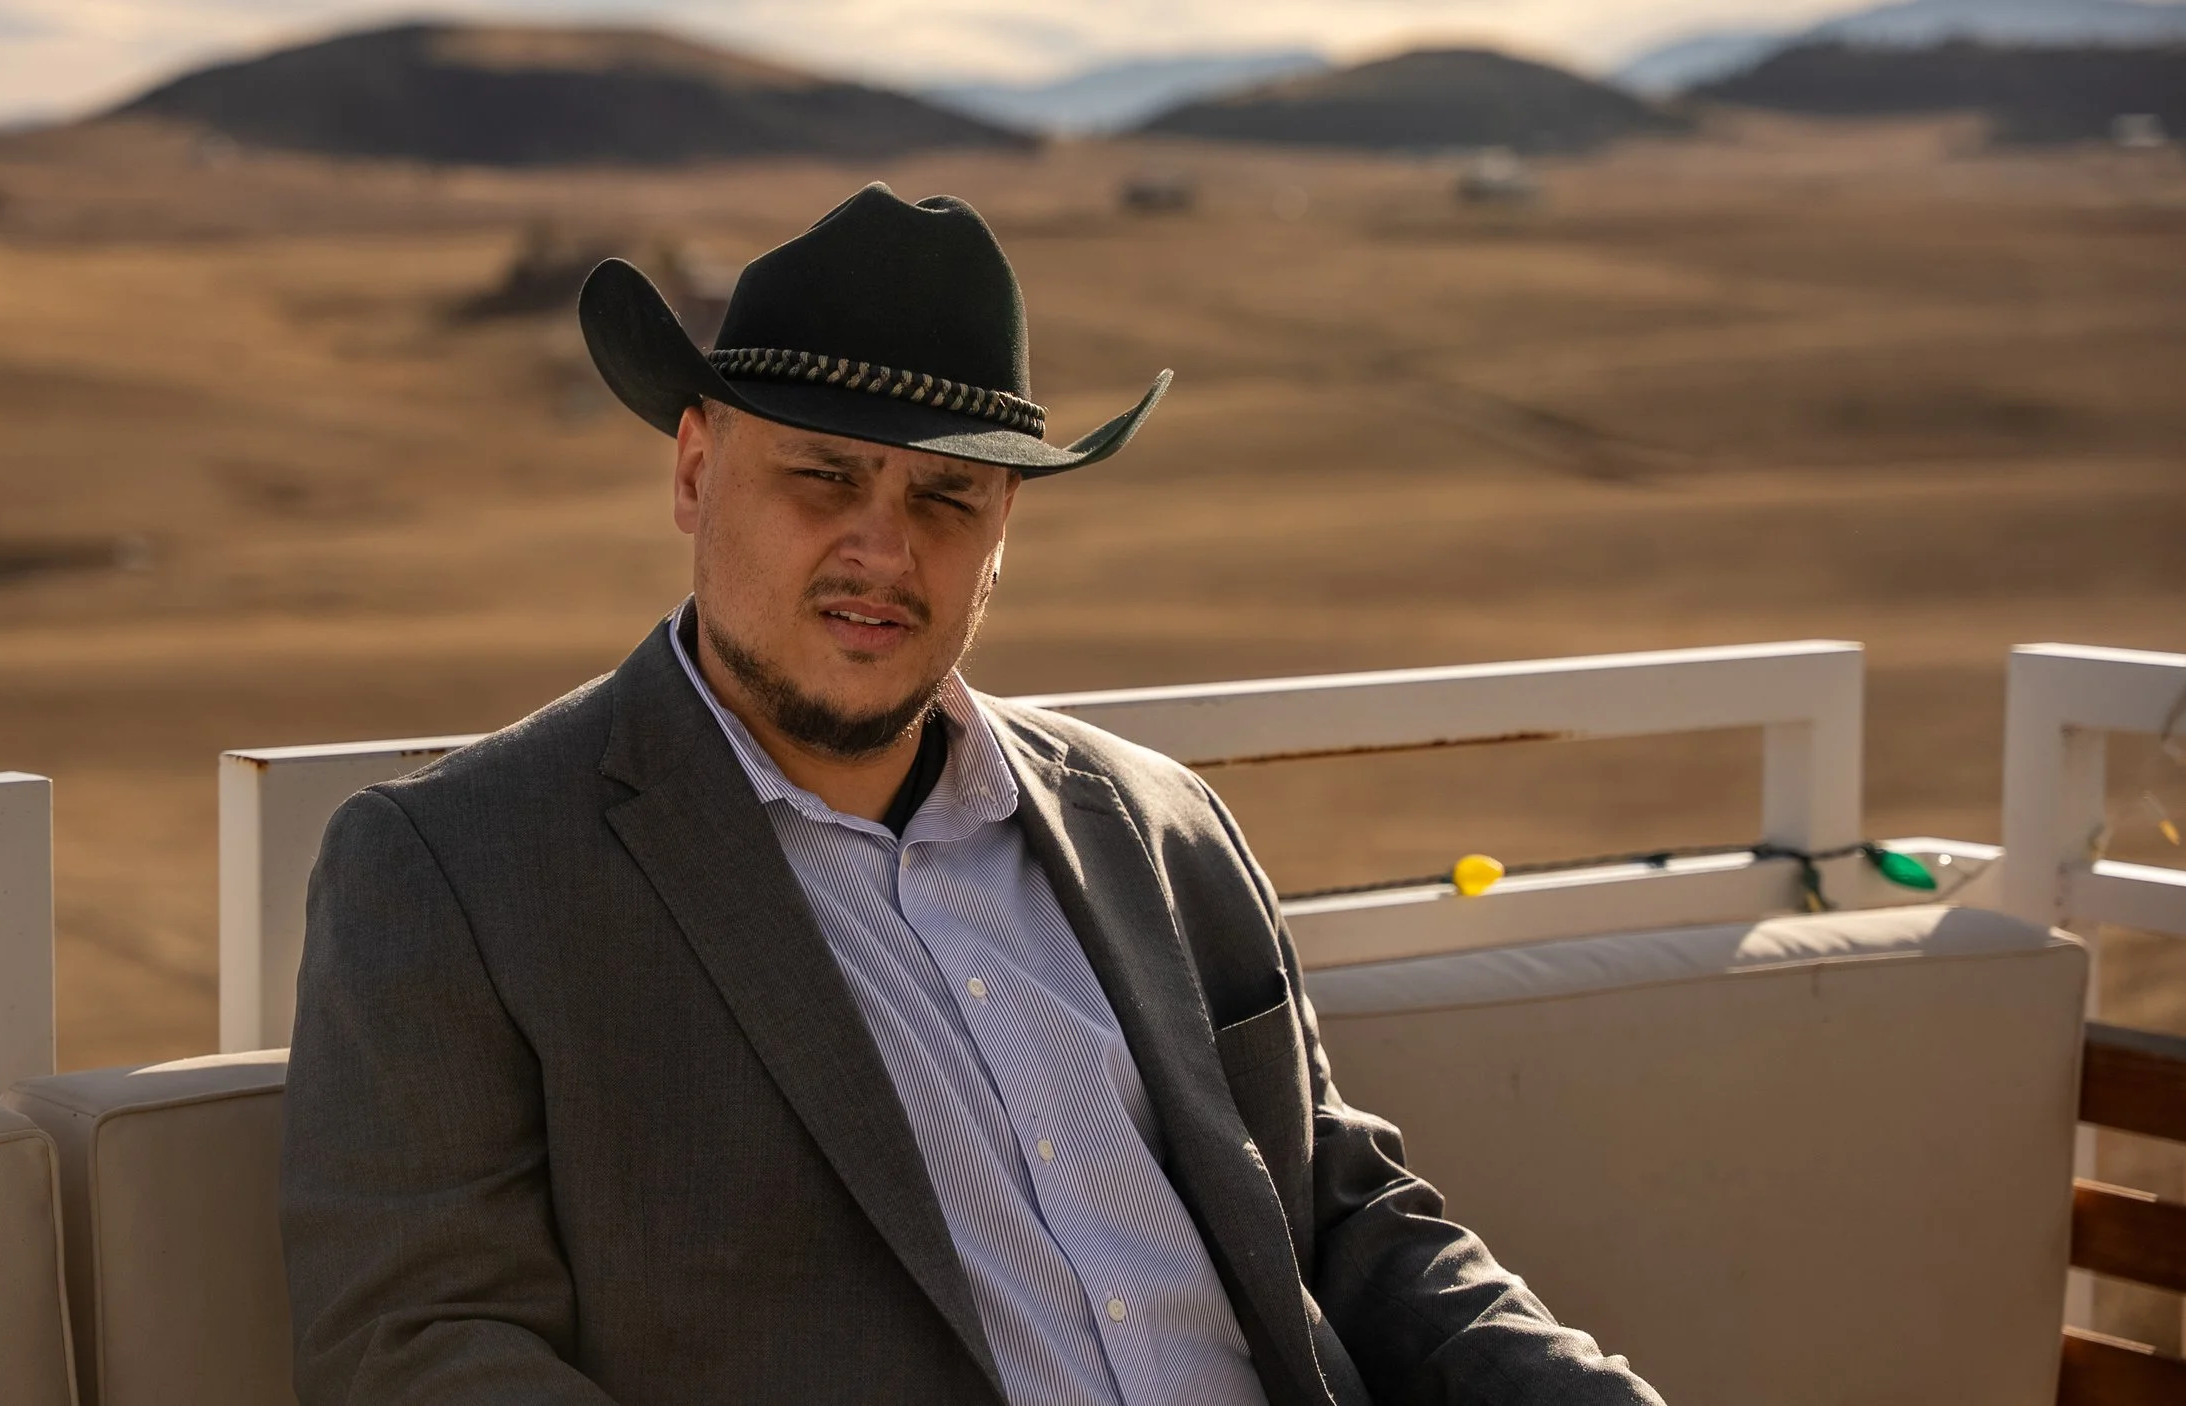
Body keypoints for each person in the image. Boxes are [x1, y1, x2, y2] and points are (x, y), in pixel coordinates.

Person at [281, 183, 1664, 1405]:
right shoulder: (460, 869)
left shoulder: (1161, 826)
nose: (883, 549)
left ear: (1005, 533)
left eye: (948, 498)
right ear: (697, 471)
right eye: (823, 475)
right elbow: (420, 1349)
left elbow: (1346, 1218)